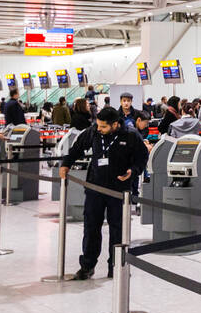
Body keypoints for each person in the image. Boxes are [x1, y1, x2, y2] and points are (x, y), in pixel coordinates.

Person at [59, 107, 149, 280]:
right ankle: (87, 265)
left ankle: (115, 266)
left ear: (115, 124)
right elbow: (77, 147)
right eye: (98, 125)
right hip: (95, 188)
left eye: (103, 126)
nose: (99, 129)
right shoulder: (93, 131)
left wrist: (133, 171)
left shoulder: (130, 135)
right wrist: (66, 164)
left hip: (119, 190)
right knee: (91, 227)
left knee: (117, 230)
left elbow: (141, 157)